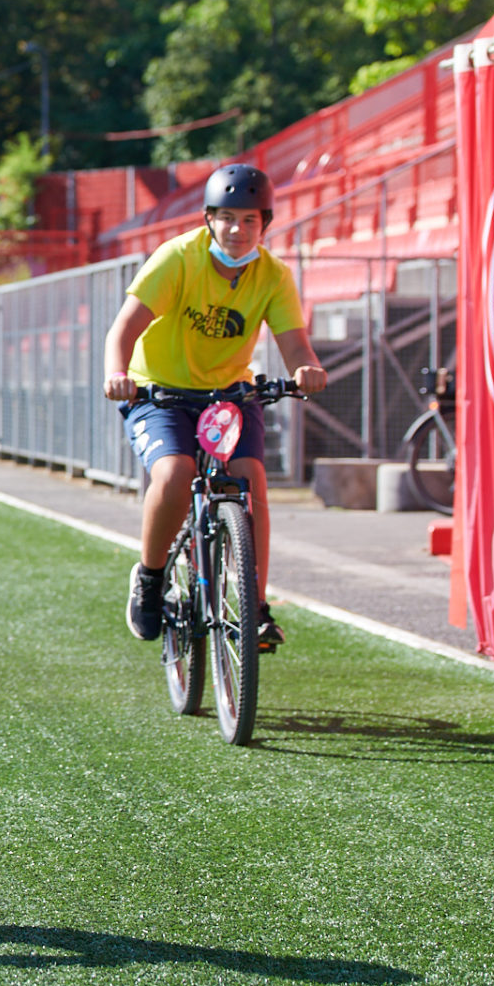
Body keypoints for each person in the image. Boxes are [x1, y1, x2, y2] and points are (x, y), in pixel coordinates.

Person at [103, 163, 329, 649]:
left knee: (251, 476)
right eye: (227, 217)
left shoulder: (273, 275)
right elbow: (123, 328)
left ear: (265, 224)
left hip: (230, 394)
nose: (237, 229)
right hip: (158, 391)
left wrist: (306, 368)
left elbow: (294, 344)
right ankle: (150, 576)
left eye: (250, 220)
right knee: (175, 473)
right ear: (208, 219)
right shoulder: (177, 258)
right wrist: (117, 374)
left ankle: (256, 605)